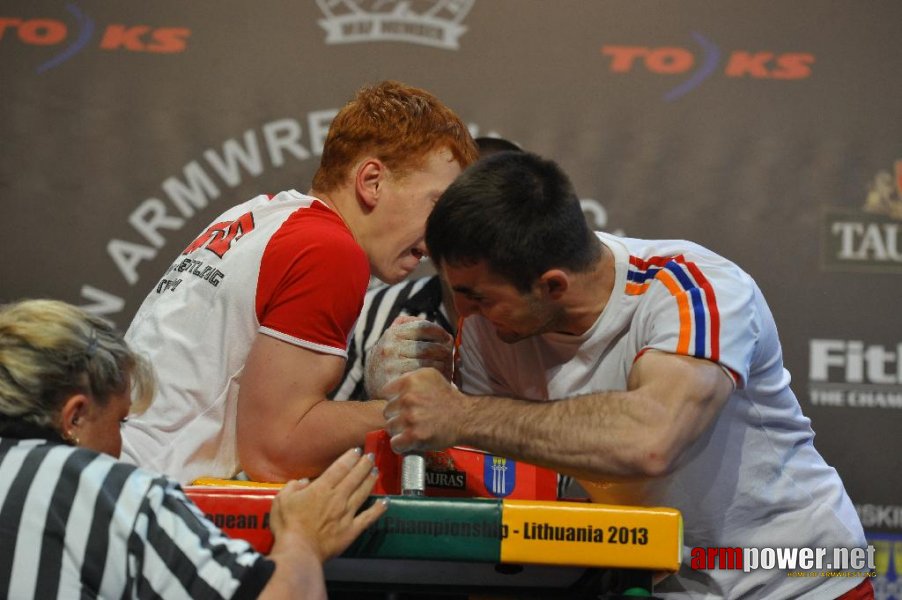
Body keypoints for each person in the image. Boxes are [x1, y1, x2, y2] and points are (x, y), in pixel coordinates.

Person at [378, 152, 873, 599]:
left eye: (479, 296)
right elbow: (507, 480)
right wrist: (404, 403)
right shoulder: (488, 330)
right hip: (659, 582)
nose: (463, 311)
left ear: (552, 285)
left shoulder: (693, 288)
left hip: (799, 579)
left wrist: (461, 413)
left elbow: (652, 441)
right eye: (454, 290)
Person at [121, 80, 478, 484]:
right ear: (372, 181)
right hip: (145, 495)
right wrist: (417, 409)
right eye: (437, 205)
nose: (440, 238)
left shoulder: (257, 216)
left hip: (114, 474)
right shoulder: (329, 250)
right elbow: (275, 453)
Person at [0, 299, 387, 599]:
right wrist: (302, 539)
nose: (121, 445)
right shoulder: (107, 490)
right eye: (120, 422)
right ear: (75, 417)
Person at [330, 136, 522, 402]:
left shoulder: (549, 323)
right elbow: (314, 433)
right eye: (453, 215)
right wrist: (378, 398)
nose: (470, 236)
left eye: (495, 219)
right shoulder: (371, 315)